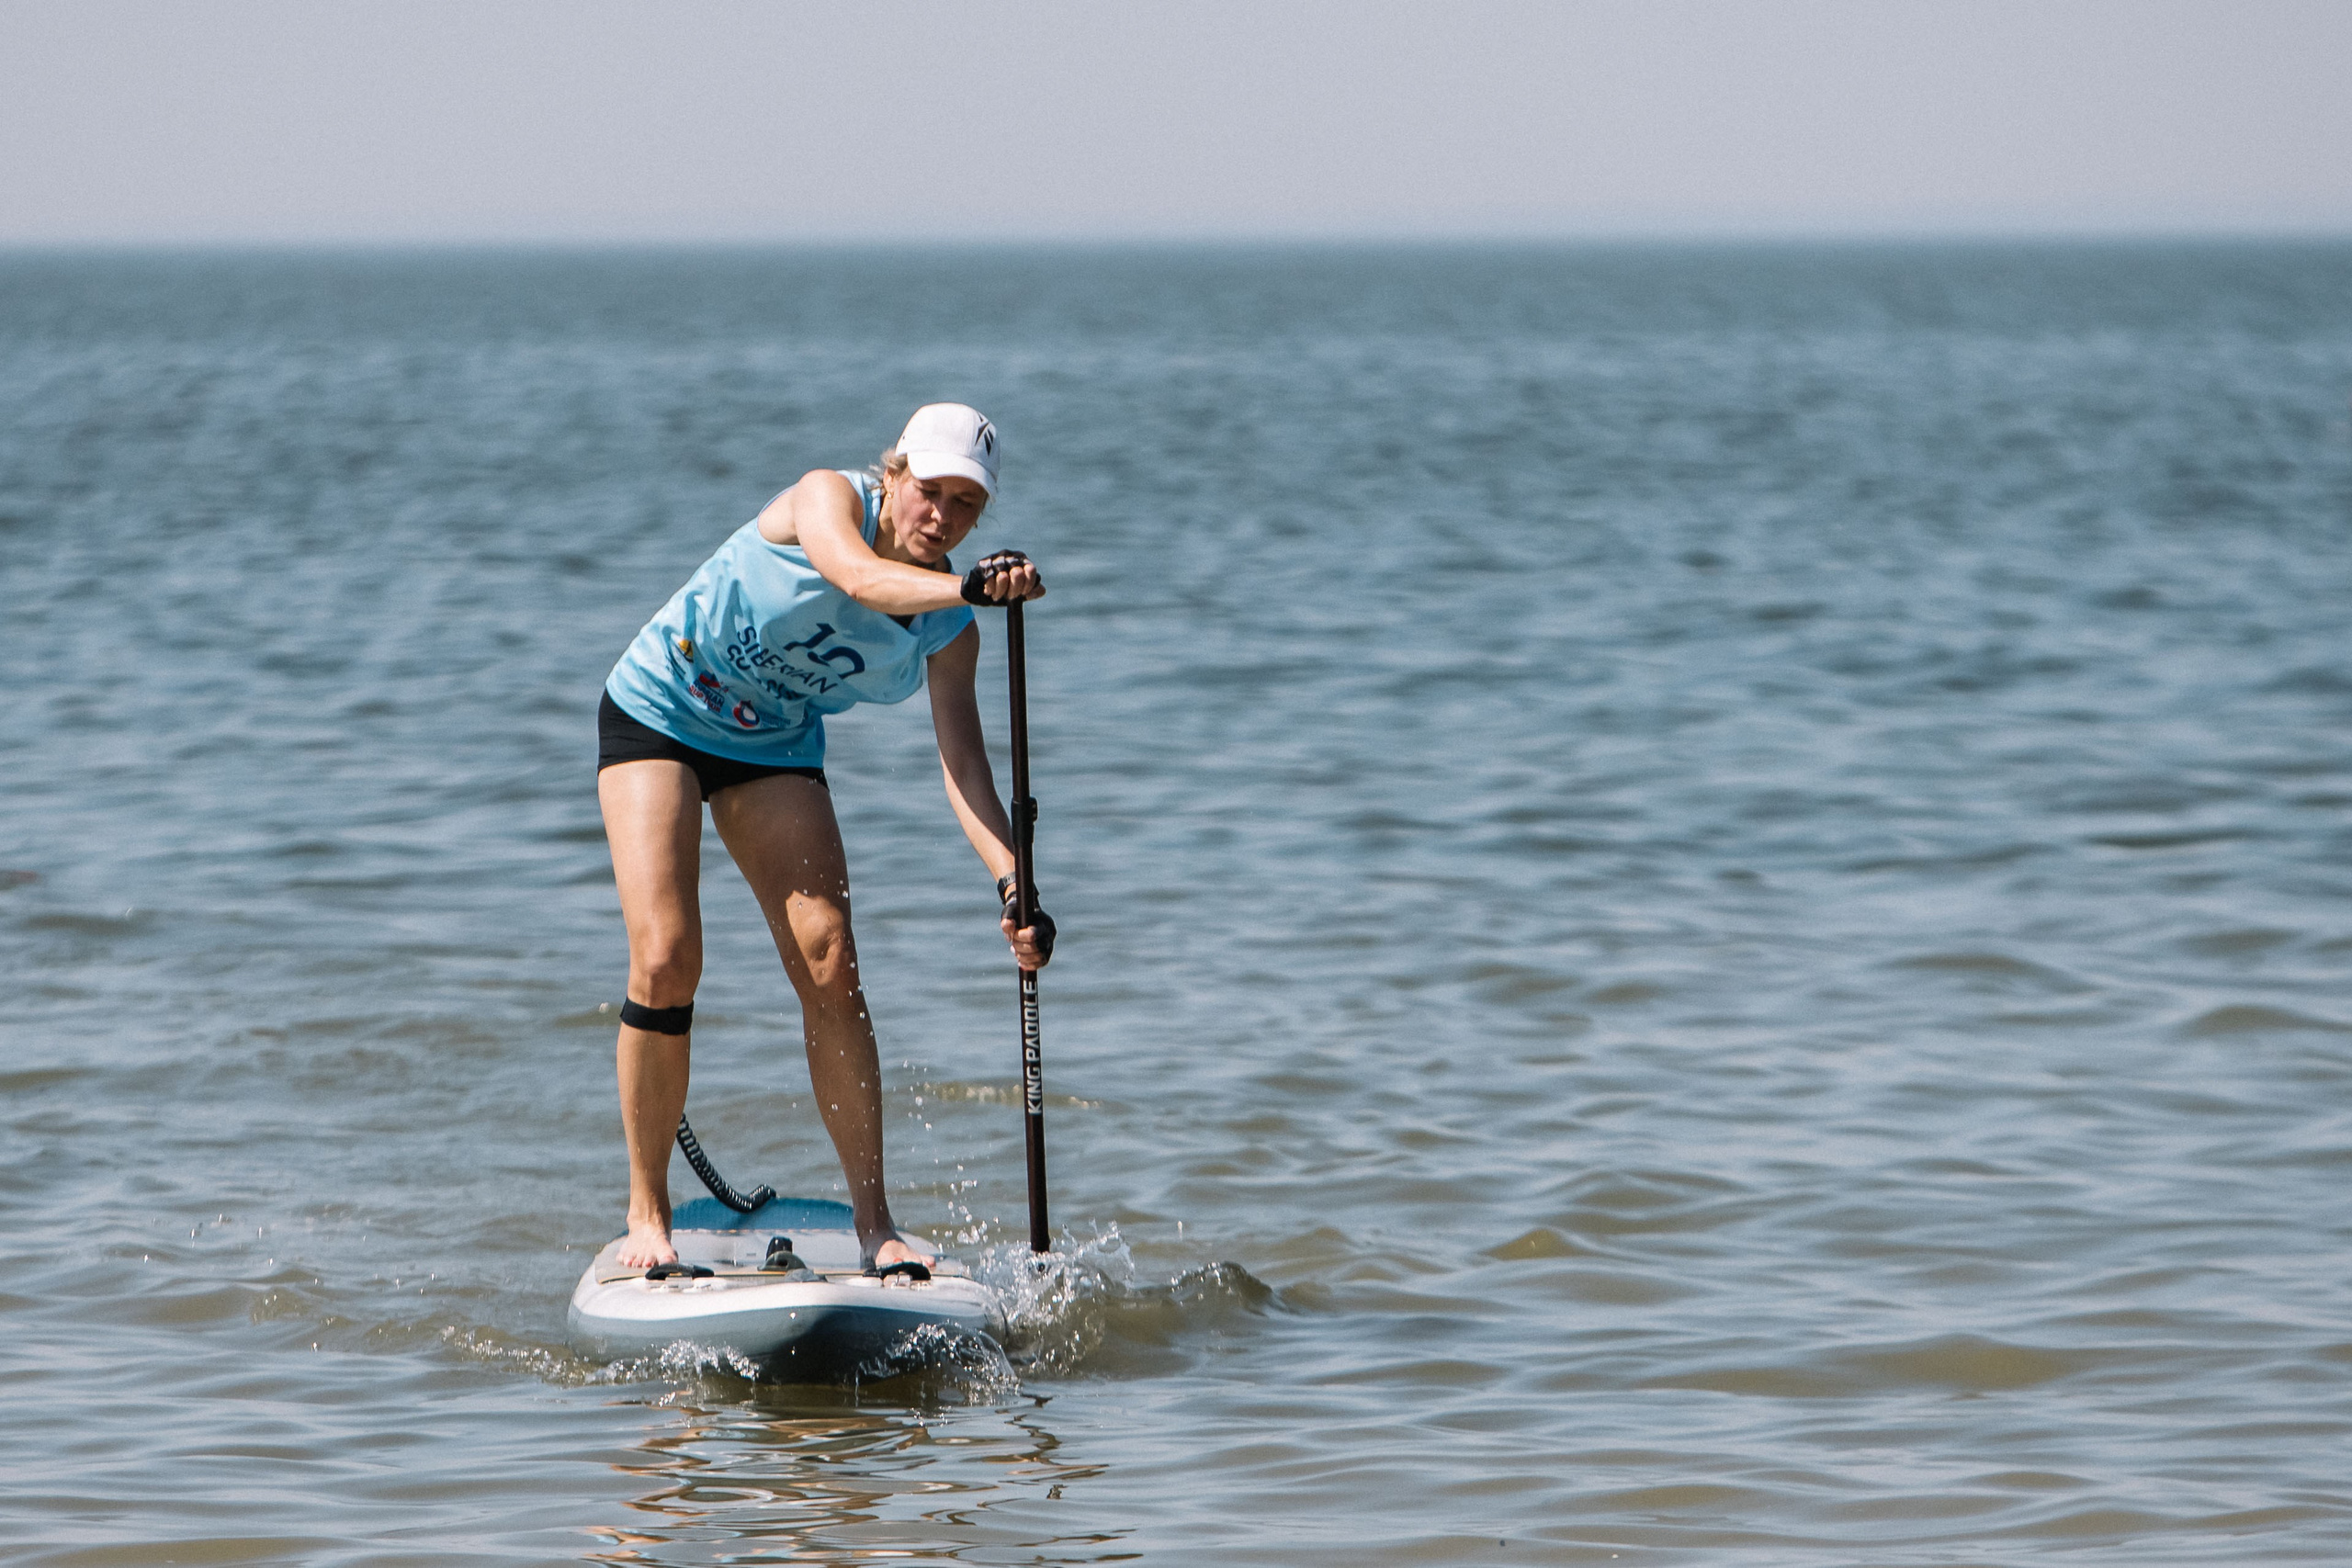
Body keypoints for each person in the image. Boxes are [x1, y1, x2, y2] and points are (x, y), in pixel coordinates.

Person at [595, 403, 1053, 1271]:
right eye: (929, 491)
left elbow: (963, 766)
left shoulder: (949, 631)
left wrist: (1013, 882)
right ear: (892, 475)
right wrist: (970, 587)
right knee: (666, 956)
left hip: (770, 743)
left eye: (966, 507)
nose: (942, 518)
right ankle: (646, 1214)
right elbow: (856, 580)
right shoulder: (822, 499)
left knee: (831, 957)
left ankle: (875, 1223)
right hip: (662, 708)